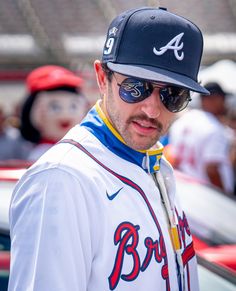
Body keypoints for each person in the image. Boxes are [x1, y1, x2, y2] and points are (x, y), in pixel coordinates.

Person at [8, 7, 209, 291]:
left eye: (172, 95)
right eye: (136, 87)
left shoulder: (154, 163)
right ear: (103, 78)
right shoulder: (62, 180)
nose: (152, 109)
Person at [169, 82, 234, 195]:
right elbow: (211, 170)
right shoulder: (214, 128)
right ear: (212, 99)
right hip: (207, 194)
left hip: (182, 187)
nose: (224, 103)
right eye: (222, 98)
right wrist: (225, 197)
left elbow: (173, 157)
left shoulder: (184, 120)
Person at [20, 65, 90, 161]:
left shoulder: (85, 148)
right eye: (55, 107)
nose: (65, 114)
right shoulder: (40, 153)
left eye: (73, 106)